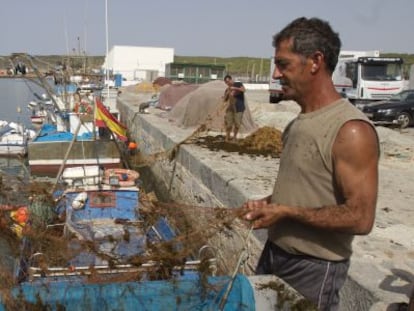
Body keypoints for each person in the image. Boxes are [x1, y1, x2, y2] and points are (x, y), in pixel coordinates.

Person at [243, 17, 379, 310]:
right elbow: (305, 189)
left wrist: (287, 212)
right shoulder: (297, 124)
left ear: (315, 61)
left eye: (284, 64)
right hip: (274, 253)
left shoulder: (351, 130)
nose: (277, 74)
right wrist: (267, 204)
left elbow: (361, 218)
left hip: (314, 269)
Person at [223, 75, 246, 141]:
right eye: (226, 83)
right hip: (230, 108)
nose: (228, 83)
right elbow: (224, 100)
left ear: (231, 79)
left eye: (228, 81)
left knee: (237, 124)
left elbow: (243, 90)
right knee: (228, 124)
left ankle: (234, 137)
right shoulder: (227, 89)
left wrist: (234, 88)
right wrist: (226, 94)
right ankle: (227, 137)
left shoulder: (238, 84)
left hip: (239, 107)